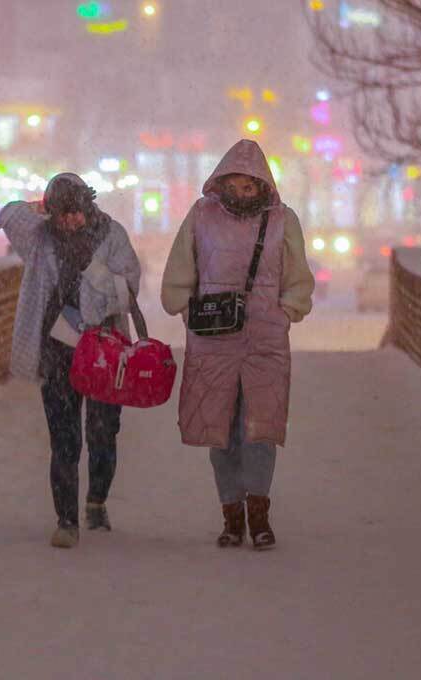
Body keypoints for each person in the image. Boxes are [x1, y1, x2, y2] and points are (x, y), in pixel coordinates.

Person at [160, 139, 315, 551]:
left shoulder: (283, 220)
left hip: (265, 338)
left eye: (251, 184)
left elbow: (298, 277)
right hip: (213, 340)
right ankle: (231, 515)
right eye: (237, 182)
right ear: (224, 180)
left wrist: (286, 311)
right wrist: (184, 306)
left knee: (260, 429)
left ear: (262, 183)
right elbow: (181, 269)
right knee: (221, 430)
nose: (244, 190)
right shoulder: (201, 217)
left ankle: (259, 513)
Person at [0, 173, 142, 549]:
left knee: (103, 432)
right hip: (57, 352)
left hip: (104, 350)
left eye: (75, 212)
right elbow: (8, 214)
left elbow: (129, 288)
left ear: (88, 206)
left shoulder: (112, 235)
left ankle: (96, 500)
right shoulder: (40, 239)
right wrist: (41, 206)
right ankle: (66, 519)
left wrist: (93, 275)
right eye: (62, 214)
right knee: (64, 439)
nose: (70, 221)